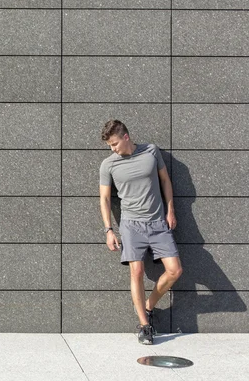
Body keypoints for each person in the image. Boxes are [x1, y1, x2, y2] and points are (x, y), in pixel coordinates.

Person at [99, 120, 183, 345]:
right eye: (110, 146)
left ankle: (149, 305)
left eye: (115, 144)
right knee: (136, 271)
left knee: (175, 271)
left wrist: (170, 210)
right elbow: (105, 199)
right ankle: (144, 325)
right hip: (131, 224)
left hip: (157, 222)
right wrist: (109, 230)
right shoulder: (109, 164)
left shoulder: (151, 151)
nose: (113, 149)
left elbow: (165, 180)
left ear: (126, 137)